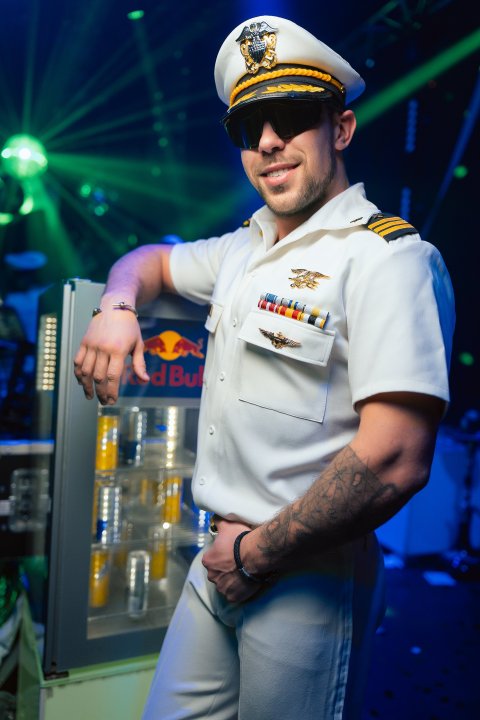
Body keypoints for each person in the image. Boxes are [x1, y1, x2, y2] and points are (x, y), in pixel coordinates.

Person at [74, 15, 455, 720]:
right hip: (218, 556)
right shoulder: (243, 250)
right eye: (251, 127)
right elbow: (149, 261)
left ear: (341, 129)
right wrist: (117, 306)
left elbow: (398, 457)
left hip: (304, 572)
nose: (269, 142)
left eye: (291, 118)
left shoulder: (389, 258)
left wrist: (256, 555)